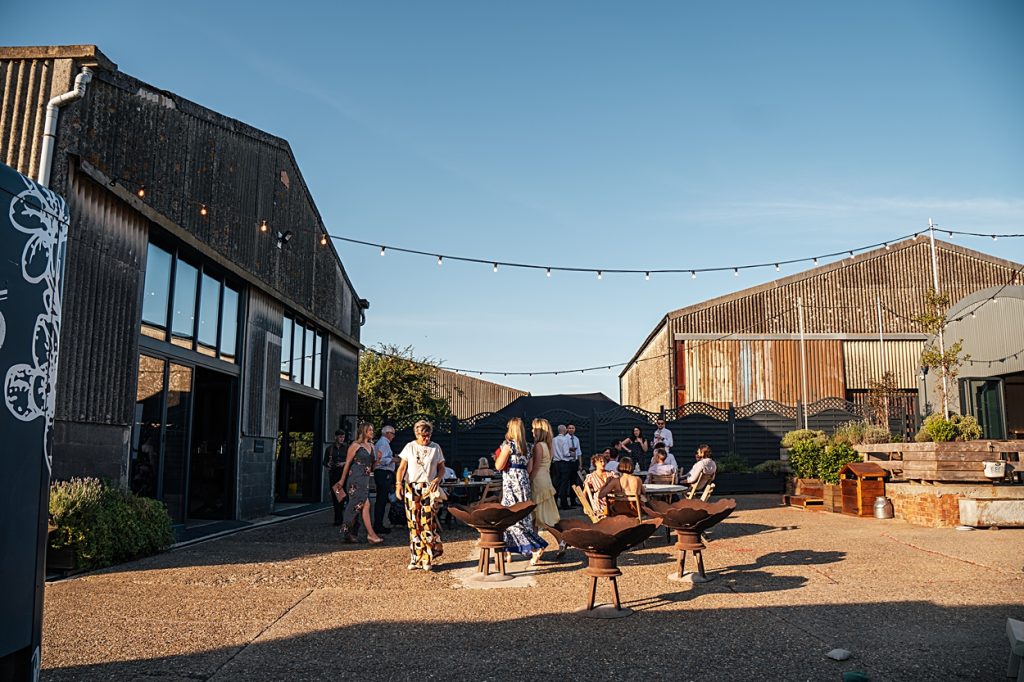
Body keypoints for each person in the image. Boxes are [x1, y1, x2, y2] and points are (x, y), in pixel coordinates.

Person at [495, 417, 548, 565]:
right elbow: (530, 469)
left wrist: (497, 458)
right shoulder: (529, 447)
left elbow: (499, 466)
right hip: (524, 484)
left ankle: (535, 547)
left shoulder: (508, 445)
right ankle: (509, 552)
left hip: (510, 484)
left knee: (510, 517)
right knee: (523, 517)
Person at [394, 420, 446, 570]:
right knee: (413, 523)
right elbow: (402, 467)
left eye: (428, 435)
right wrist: (398, 485)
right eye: (424, 436)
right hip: (412, 487)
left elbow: (442, 467)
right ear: (417, 434)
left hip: (428, 487)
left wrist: (437, 479)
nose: (426, 439)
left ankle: (427, 557)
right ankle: (415, 557)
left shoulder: (435, 448)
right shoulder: (410, 447)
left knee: (427, 522)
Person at [336, 422, 384, 545]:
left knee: (361, 506)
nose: (372, 432)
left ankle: (349, 534)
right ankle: (371, 535)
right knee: (362, 505)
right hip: (355, 480)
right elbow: (347, 463)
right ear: (364, 431)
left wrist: (378, 459)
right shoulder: (355, 445)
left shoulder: (372, 446)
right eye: (370, 430)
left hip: (365, 480)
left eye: (373, 430)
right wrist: (342, 480)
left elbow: (372, 467)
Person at [529, 418, 564, 559]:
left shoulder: (538, 446)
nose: (531, 431)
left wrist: (528, 480)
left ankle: (559, 539)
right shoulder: (549, 445)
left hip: (538, 480)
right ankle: (537, 546)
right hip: (546, 479)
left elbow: (535, 467)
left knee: (538, 516)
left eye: (533, 428)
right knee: (539, 516)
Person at [372, 425, 397, 535]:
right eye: (392, 433)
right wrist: (393, 459)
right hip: (383, 473)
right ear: (387, 433)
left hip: (383, 473)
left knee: (382, 499)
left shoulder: (383, 443)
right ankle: (378, 525)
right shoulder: (383, 443)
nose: (393, 436)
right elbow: (381, 460)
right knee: (381, 499)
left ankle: (379, 523)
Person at [552, 422, 580, 510]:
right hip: (564, 463)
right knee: (564, 484)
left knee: (556, 483)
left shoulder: (554, 439)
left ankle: (555, 502)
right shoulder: (565, 440)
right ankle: (564, 504)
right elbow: (565, 453)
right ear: (565, 431)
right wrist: (571, 454)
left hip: (556, 463)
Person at [323, 429, 348, 526]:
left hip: (344, 474)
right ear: (336, 437)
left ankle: (341, 518)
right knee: (336, 496)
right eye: (340, 437)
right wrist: (328, 464)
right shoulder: (329, 449)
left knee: (342, 496)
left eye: (343, 437)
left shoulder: (346, 448)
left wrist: (343, 463)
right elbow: (324, 462)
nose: (342, 439)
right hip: (334, 474)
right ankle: (338, 518)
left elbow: (352, 460)